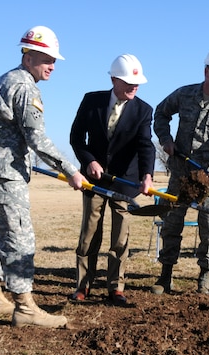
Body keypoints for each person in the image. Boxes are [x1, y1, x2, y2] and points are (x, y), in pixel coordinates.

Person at [0, 26, 87, 328]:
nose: (52, 66)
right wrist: (71, 170)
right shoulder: (25, 87)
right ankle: (25, 307)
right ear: (30, 55)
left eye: (55, 60)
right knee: (18, 237)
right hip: (5, 175)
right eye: (48, 59)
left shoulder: (5, 79)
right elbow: (37, 139)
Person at [151, 46, 209, 295]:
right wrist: (165, 139)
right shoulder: (184, 94)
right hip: (181, 173)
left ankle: (205, 278)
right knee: (171, 223)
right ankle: (165, 276)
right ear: (207, 71)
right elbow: (160, 113)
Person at [69, 54, 155, 305]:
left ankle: (116, 288)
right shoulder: (91, 100)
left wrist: (146, 176)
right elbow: (76, 138)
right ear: (114, 79)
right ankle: (83, 286)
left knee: (120, 238)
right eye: (128, 81)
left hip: (124, 183)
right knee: (89, 235)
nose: (134, 86)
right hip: (93, 180)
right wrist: (89, 161)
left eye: (137, 82)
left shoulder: (143, 110)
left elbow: (145, 146)